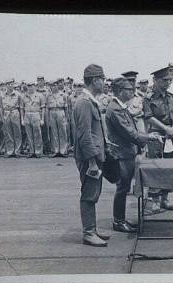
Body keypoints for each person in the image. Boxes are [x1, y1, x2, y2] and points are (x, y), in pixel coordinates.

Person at [106, 78, 162, 232]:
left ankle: (121, 219)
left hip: (127, 153)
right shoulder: (115, 108)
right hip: (122, 154)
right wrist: (149, 137)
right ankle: (118, 221)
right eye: (128, 89)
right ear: (119, 91)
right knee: (122, 188)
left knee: (123, 188)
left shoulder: (120, 107)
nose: (132, 91)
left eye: (132, 89)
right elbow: (130, 133)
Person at [73, 64, 110, 247]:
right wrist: (92, 162)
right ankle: (88, 233)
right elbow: (84, 135)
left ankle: (92, 229)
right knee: (89, 194)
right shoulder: (84, 103)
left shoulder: (90, 101)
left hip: (95, 156)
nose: (104, 83)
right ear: (95, 80)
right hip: (90, 159)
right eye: (102, 79)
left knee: (93, 193)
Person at [143, 66, 173, 212]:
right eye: (164, 80)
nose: (167, 83)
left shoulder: (171, 96)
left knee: (170, 167)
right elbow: (149, 116)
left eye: (169, 80)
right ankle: (154, 200)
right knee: (156, 167)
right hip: (157, 136)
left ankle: (165, 198)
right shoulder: (149, 98)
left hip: (171, 136)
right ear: (156, 80)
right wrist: (165, 128)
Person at [46, 79, 69, 157]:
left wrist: (66, 118)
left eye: (55, 85)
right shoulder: (48, 96)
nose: (53, 87)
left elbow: (66, 108)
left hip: (60, 111)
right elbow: (48, 108)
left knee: (62, 131)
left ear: (57, 86)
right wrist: (48, 119)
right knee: (54, 132)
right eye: (51, 86)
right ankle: (56, 150)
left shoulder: (63, 95)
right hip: (52, 112)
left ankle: (63, 150)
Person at [1, 79, 24, 157]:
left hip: (15, 112)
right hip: (6, 113)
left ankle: (17, 151)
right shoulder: (2, 95)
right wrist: (2, 117)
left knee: (17, 132)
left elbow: (21, 107)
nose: (9, 85)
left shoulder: (18, 94)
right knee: (8, 133)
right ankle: (10, 151)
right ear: (6, 85)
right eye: (8, 84)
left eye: (11, 84)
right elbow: (1, 107)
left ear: (13, 85)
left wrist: (21, 117)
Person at [22, 83, 44, 157]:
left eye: (31, 85)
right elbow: (22, 109)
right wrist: (22, 119)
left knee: (37, 134)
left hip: (36, 114)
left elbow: (43, 108)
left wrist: (42, 119)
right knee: (29, 134)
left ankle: (38, 152)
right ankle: (31, 151)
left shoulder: (40, 96)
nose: (30, 87)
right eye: (28, 85)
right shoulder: (24, 96)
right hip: (27, 114)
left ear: (34, 86)